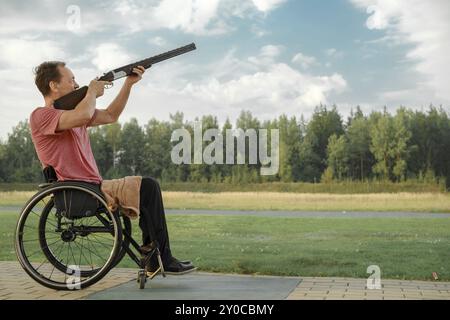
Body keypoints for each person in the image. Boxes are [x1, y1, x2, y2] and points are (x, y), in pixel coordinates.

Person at [29, 61, 196, 275]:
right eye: (71, 80)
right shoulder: (41, 115)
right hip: (77, 192)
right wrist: (91, 91)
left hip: (92, 188)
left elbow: (110, 115)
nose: (76, 84)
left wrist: (128, 84)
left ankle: (156, 257)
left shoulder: (73, 112)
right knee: (149, 186)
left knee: (148, 188)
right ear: (54, 85)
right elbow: (82, 115)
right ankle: (160, 259)